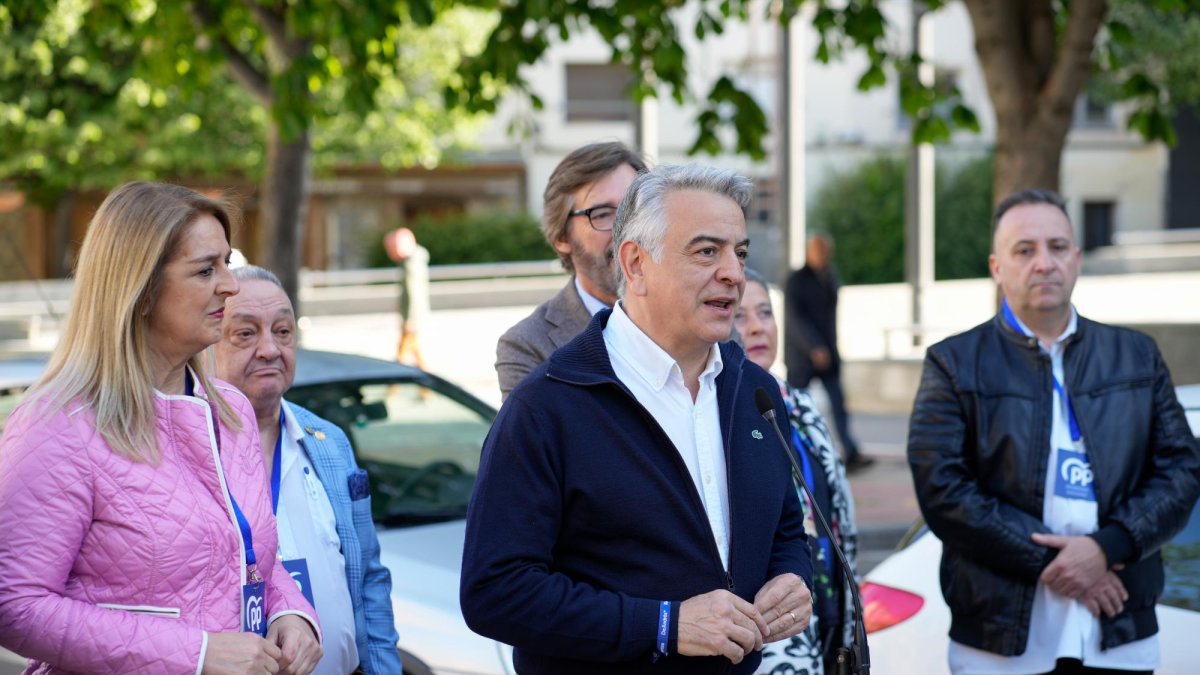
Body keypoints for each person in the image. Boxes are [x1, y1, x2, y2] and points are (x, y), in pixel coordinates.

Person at [461, 164, 813, 674]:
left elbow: (783, 528)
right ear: (636, 264)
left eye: (739, 253)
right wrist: (664, 625)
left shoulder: (755, 392)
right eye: (706, 251)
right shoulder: (547, 407)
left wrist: (790, 576)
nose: (734, 274)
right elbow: (495, 592)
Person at [0, 182, 321, 674]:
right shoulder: (56, 425)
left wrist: (291, 612)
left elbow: (248, 552)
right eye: (206, 270)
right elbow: (14, 606)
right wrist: (194, 655)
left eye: (227, 264)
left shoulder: (230, 411)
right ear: (141, 288)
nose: (230, 286)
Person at [907, 188, 1200, 674]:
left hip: (1118, 633)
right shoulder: (953, 363)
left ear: (1078, 258)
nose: (1044, 262)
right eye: (1025, 250)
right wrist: (1063, 565)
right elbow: (944, 490)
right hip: (999, 643)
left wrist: (1109, 548)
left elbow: (1182, 471)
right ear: (997, 267)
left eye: (1058, 247)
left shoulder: (1137, 356)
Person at [215, 265, 403, 675]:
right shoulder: (189, 449)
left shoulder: (327, 441)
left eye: (282, 331)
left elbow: (368, 577)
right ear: (208, 344)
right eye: (245, 333)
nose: (269, 349)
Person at [735, 269, 858, 675]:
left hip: (823, 609)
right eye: (739, 315)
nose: (756, 327)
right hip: (760, 631)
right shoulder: (720, 415)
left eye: (765, 313)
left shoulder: (800, 405)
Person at [495, 141, 646, 400]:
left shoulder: (698, 318)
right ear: (562, 237)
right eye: (602, 214)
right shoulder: (528, 346)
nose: (626, 230)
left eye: (636, 210)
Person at [784, 233, 871, 472]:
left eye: (825, 251)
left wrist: (830, 349)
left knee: (839, 403)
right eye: (818, 250)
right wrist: (813, 348)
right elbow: (795, 320)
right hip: (802, 357)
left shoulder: (831, 276)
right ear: (808, 252)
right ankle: (792, 452)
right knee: (795, 407)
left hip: (829, 354)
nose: (822, 255)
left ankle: (850, 451)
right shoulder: (796, 280)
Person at [384, 226, 429, 369]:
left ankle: (394, 386)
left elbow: (413, 292)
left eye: (391, 248)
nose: (389, 252)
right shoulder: (413, 260)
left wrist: (410, 318)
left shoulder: (411, 264)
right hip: (413, 315)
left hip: (412, 317)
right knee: (413, 351)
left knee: (403, 354)